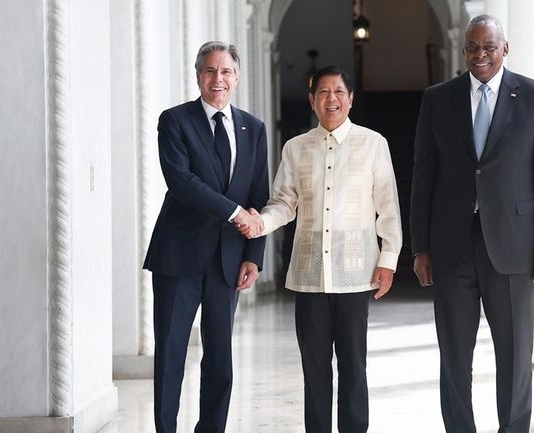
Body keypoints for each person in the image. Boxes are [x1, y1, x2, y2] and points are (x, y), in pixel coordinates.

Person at [410, 15, 534, 433]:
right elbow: (423, 176)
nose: (481, 56)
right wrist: (420, 247)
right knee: (454, 357)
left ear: (505, 48)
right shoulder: (438, 98)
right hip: (450, 247)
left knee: (515, 357)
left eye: (489, 47)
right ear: (463, 50)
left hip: (516, 248)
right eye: (473, 48)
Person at [237, 65, 402, 433]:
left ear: (351, 99)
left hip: (355, 276)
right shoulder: (295, 148)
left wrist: (388, 260)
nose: (332, 99)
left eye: (339, 92)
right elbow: (283, 202)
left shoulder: (373, 143)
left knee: (353, 367)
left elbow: (388, 206)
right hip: (308, 277)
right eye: (323, 93)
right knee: (314, 369)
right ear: (312, 101)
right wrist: (260, 222)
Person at [143, 41, 268, 433]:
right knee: (171, 352)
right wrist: (233, 214)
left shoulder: (254, 128)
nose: (219, 79)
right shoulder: (175, 121)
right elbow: (182, 182)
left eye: (226, 71)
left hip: (228, 261)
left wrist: (254, 255)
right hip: (178, 257)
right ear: (198, 76)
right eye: (210, 71)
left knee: (220, 357)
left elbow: (258, 197)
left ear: (237, 77)